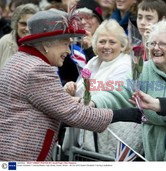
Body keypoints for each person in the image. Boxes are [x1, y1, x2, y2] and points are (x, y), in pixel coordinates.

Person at [0, 9, 142, 161]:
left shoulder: (18, 60)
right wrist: (124, 115)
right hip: (21, 156)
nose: (68, 51)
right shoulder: (37, 69)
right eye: (65, 44)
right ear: (47, 44)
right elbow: (74, 114)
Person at [90, 20, 166, 161]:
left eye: (162, 44)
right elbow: (118, 90)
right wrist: (94, 102)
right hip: (152, 141)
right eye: (152, 43)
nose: (156, 48)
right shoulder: (142, 70)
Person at [62, 19, 142, 159]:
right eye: (102, 41)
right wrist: (71, 88)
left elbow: (107, 95)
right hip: (88, 136)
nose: (106, 46)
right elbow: (82, 88)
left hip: (112, 137)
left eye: (112, 42)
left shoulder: (125, 65)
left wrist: (81, 96)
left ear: (122, 45)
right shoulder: (93, 61)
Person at [0, 3, 39, 70]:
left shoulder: (42, 45)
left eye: (31, 24)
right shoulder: (4, 41)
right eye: (23, 24)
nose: (27, 29)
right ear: (16, 24)